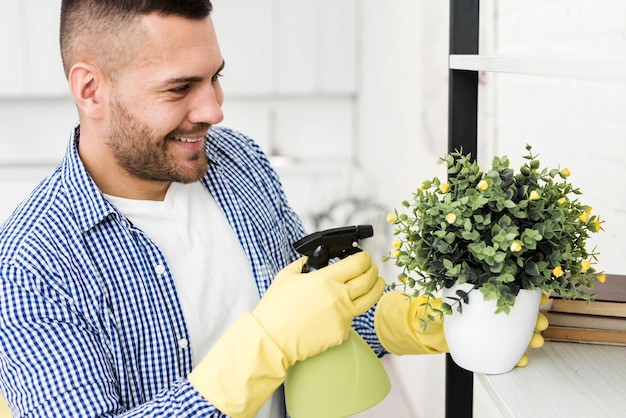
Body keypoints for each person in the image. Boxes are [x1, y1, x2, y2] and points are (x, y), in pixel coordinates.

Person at [0, 1, 544, 417]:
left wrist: (420, 321)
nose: (213, 109)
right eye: (179, 88)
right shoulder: (33, 263)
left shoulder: (238, 162)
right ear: (91, 90)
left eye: (214, 76)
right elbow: (283, 333)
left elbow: (309, 320)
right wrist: (264, 348)